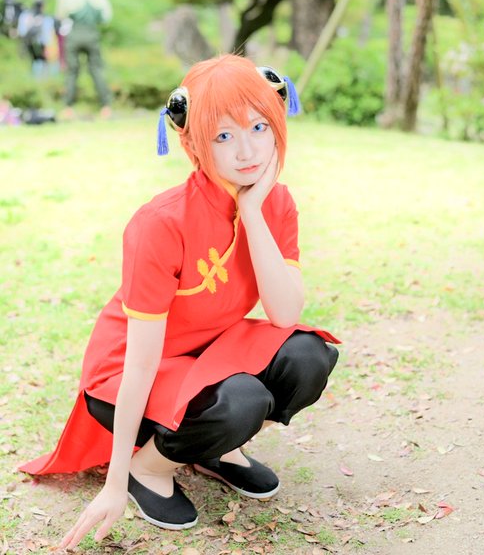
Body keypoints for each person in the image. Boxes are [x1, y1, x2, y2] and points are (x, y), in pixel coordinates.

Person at [20, 54, 340, 549]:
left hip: (209, 351)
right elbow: (140, 362)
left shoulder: (275, 203)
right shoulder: (161, 223)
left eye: (259, 127)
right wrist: (115, 480)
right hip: (128, 371)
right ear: (191, 142)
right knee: (242, 399)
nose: (247, 150)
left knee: (307, 356)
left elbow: (284, 314)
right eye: (223, 136)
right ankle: (148, 468)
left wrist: (252, 211)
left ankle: (215, 448)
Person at [55, 0, 112, 117]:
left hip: (74, 33)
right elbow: (106, 17)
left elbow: (60, 16)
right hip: (92, 33)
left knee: (71, 71)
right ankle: (106, 107)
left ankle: (68, 108)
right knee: (96, 69)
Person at [17, 0, 56, 77]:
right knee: (41, 60)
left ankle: (37, 75)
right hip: (39, 43)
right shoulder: (45, 18)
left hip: (28, 42)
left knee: (34, 59)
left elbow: (21, 31)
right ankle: (42, 76)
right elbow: (47, 35)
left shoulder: (25, 15)